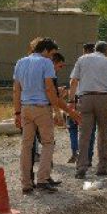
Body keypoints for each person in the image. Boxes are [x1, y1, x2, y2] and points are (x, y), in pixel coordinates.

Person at [13, 38, 80, 194]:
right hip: (42, 108)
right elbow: (50, 90)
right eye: (52, 54)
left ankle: (26, 183)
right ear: (46, 50)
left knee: (26, 146)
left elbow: (16, 90)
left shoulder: (20, 62)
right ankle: (43, 179)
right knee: (48, 143)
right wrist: (61, 111)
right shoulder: (46, 63)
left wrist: (17, 112)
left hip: (25, 108)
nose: (52, 57)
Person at [69, 41, 107, 179]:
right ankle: (102, 167)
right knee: (103, 134)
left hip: (85, 99)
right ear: (106, 51)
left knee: (84, 135)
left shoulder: (82, 59)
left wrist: (71, 102)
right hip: (103, 99)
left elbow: (73, 82)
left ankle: (81, 168)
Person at [30, 52, 66, 186]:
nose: (60, 69)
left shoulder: (32, 69)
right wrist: (58, 112)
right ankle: (43, 178)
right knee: (48, 144)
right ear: (54, 63)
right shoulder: (49, 74)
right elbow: (51, 95)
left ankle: (40, 177)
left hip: (29, 110)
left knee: (35, 146)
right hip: (43, 112)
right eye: (60, 66)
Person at [67, 43, 96, 164]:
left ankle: (75, 152)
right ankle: (88, 157)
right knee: (90, 130)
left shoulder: (80, 62)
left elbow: (73, 82)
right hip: (94, 99)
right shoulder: (100, 64)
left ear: (84, 51)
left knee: (73, 126)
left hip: (79, 98)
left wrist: (71, 101)